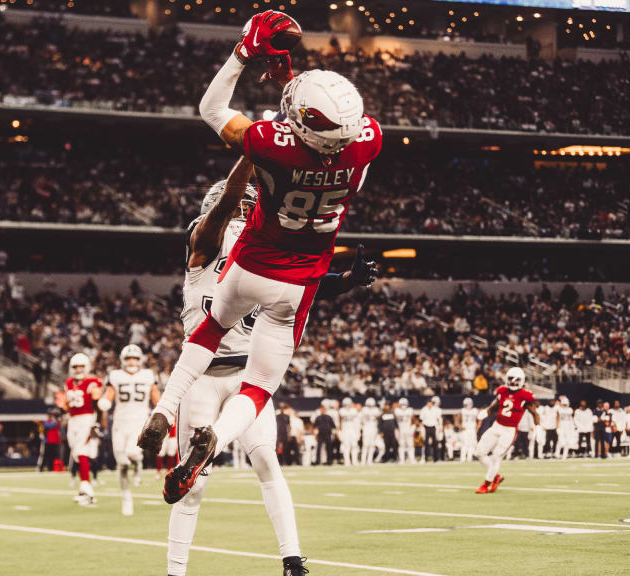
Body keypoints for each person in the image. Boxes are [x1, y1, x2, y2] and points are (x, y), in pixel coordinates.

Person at [139, 10, 383, 506]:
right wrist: (291, 85)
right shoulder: (366, 144)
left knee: (207, 331)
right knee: (259, 387)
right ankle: (217, 443)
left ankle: (166, 409)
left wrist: (244, 54)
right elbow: (326, 131)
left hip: (251, 264)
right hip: (300, 282)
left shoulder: (273, 146)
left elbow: (212, 108)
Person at [165, 170, 371, 576]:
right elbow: (222, 220)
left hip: (246, 377)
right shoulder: (204, 242)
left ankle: (292, 560)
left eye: (248, 206)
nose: (245, 211)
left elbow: (305, 282)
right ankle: (176, 571)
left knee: (267, 464)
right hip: (202, 377)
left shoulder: (262, 253)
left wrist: (346, 280)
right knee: (196, 484)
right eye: (239, 205)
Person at [101, 344, 159, 516]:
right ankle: (126, 497)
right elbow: (109, 395)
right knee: (122, 463)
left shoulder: (148, 375)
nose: (131, 361)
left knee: (132, 454)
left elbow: (156, 397)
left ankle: (138, 462)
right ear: (122, 360)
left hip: (139, 422)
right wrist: (104, 402)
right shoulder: (115, 375)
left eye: (134, 358)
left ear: (140, 360)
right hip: (119, 422)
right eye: (128, 358)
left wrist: (165, 411)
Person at [475, 367, 539, 494]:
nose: (513, 382)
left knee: (496, 457)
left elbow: (535, 414)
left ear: (521, 381)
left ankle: (486, 484)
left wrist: (538, 428)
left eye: (516, 380)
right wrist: (486, 412)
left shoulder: (524, 396)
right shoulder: (502, 391)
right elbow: (493, 407)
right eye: (511, 379)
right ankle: (496, 476)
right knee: (479, 453)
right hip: (496, 426)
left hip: (509, 431)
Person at [63, 353, 104, 506]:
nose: (78, 369)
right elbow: (68, 406)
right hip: (73, 420)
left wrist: (97, 423)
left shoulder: (93, 382)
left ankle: (87, 490)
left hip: (87, 418)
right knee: (76, 454)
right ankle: (84, 489)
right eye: (75, 367)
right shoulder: (68, 383)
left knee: (81, 452)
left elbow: (98, 406)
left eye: (81, 366)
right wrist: (63, 407)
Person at [419, 397, 444, 463]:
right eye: (428, 403)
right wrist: (421, 429)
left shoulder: (435, 410)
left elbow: (439, 419)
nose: (429, 404)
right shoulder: (424, 409)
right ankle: (425, 458)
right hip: (426, 427)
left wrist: (440, 427)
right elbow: (421, 420)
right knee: (425, 444)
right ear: (427, 403)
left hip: (433, 427)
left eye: (430, 403)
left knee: (435, 443)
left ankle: (435, 459)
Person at [338, 398, 361, 466]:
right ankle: (347, 461)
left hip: (353, 430)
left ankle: (354, 461)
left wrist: (358, 431)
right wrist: (340, 431)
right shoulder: (342, 410)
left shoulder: (354, 410)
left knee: (354, 446)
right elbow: (340, 420)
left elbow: (356, 421)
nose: (347, 406)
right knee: (346, 446)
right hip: (345, 430)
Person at [395, 398, 416, 464]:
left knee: (410, 445)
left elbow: (413, 419)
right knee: (401, 445)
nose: (403, 406)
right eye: (402, 404)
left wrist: (412, 428)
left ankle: (412, 459)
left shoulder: (410, 410)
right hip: (401, 430)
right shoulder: (397, 410)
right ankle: (402, 460)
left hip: (408, 429)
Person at [360, 398, 380, 465]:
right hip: (366, 428)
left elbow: (378, 419)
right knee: (365, 445)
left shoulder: (376, 410)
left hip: (373, 428)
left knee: (372, 445)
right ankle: (363, 460)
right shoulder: (364, 410)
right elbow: (361, 420)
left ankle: (369, 460)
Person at [458, 397, 479, 463]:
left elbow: (479, 419)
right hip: (465, 429)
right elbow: (458, 419)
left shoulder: (475, 410)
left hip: (472, 429)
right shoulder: (462, 410)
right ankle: (463, 458)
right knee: (464, 444)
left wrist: (477, 427)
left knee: (472, 444)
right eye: (466, 404)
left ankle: (469, 458)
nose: (468, 406)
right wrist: (460, 426)